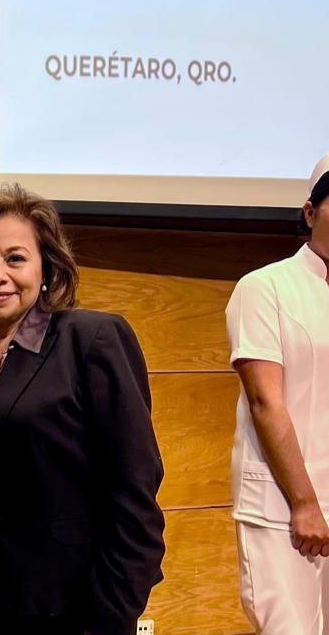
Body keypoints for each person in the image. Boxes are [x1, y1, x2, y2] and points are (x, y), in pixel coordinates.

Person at [0, 183, 165, 635]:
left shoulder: (91, 341)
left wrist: (110, 614)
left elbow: (134, 495)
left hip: (75, 611)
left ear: (46, 267)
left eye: (15, 258)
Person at [227, 153, 329, 635]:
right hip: (285, 506)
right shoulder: (264, 286)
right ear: (310, 213)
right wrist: (305, 503)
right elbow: (266, 402)